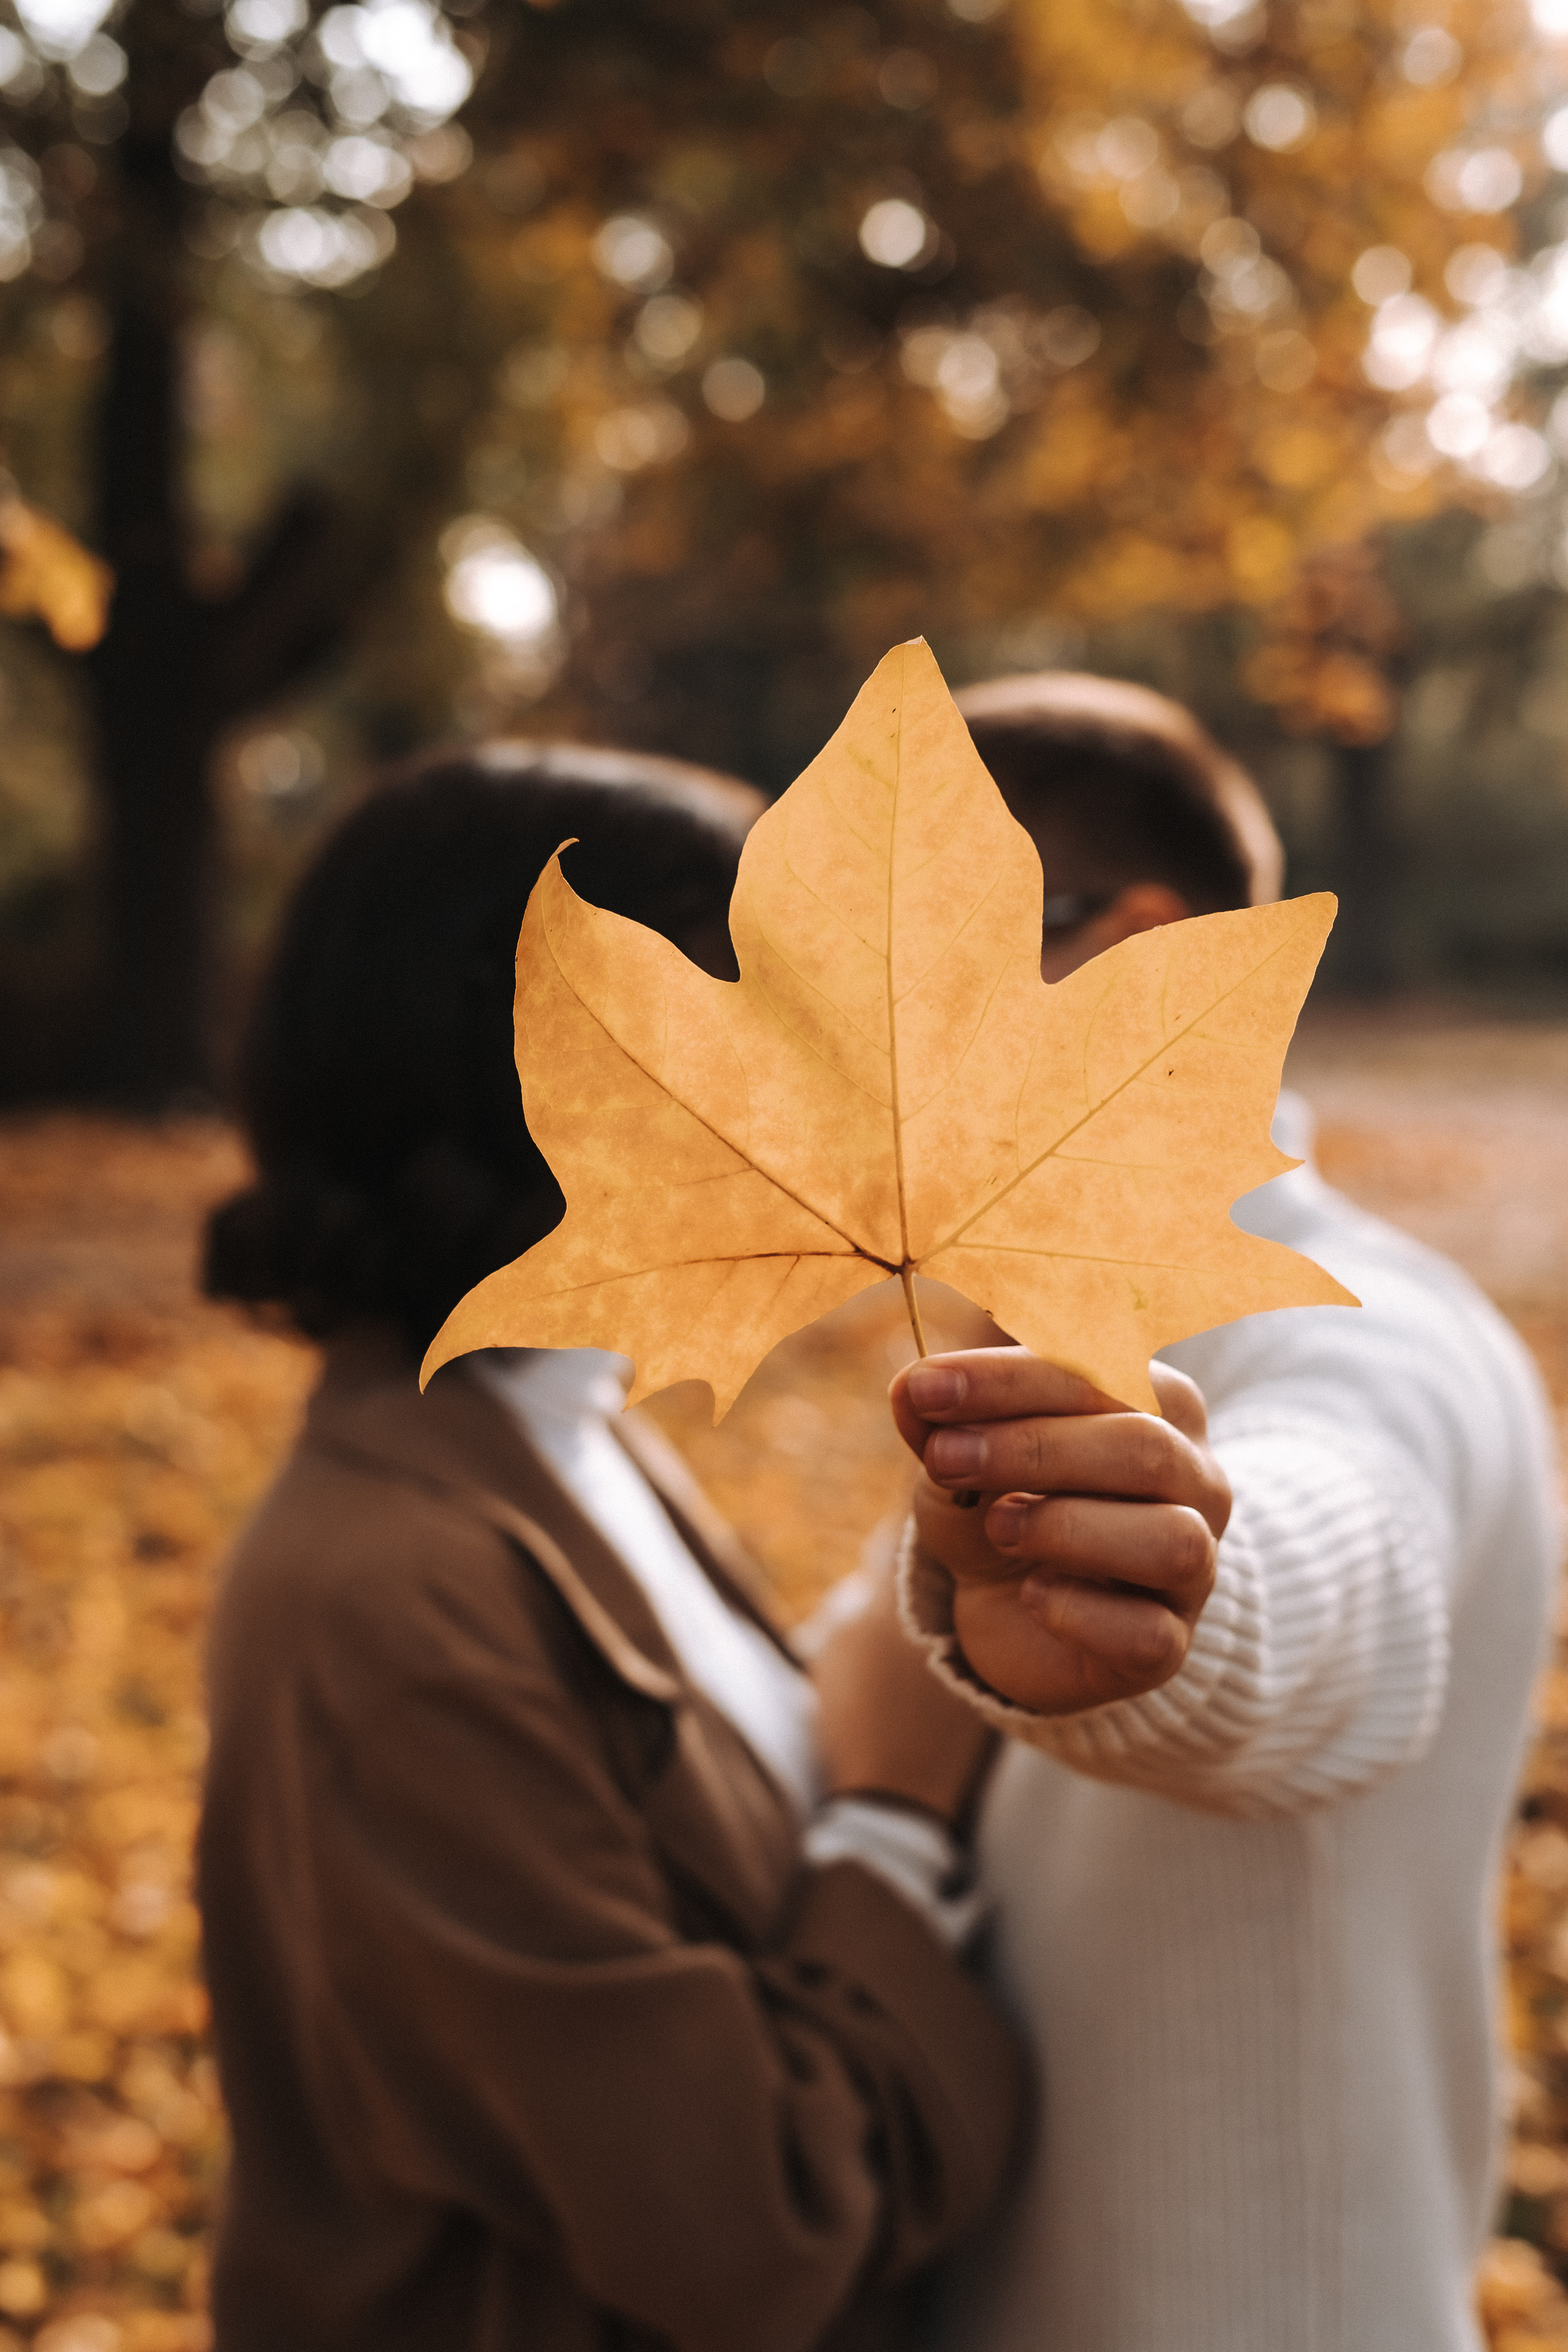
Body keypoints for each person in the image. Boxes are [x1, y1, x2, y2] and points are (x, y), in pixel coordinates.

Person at [196, 742, 1023, 2352]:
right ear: (547, 1075)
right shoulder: (387, 1600)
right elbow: (742, 2239)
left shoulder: (563, 1439)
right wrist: (894, 1814)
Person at [817, 673, 1561, 2352]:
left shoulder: (1366, 1324)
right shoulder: (1025, 1352)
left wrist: (1174, 1610)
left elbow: (1328, 1555)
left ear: (1128, 952)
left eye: (888, 971)